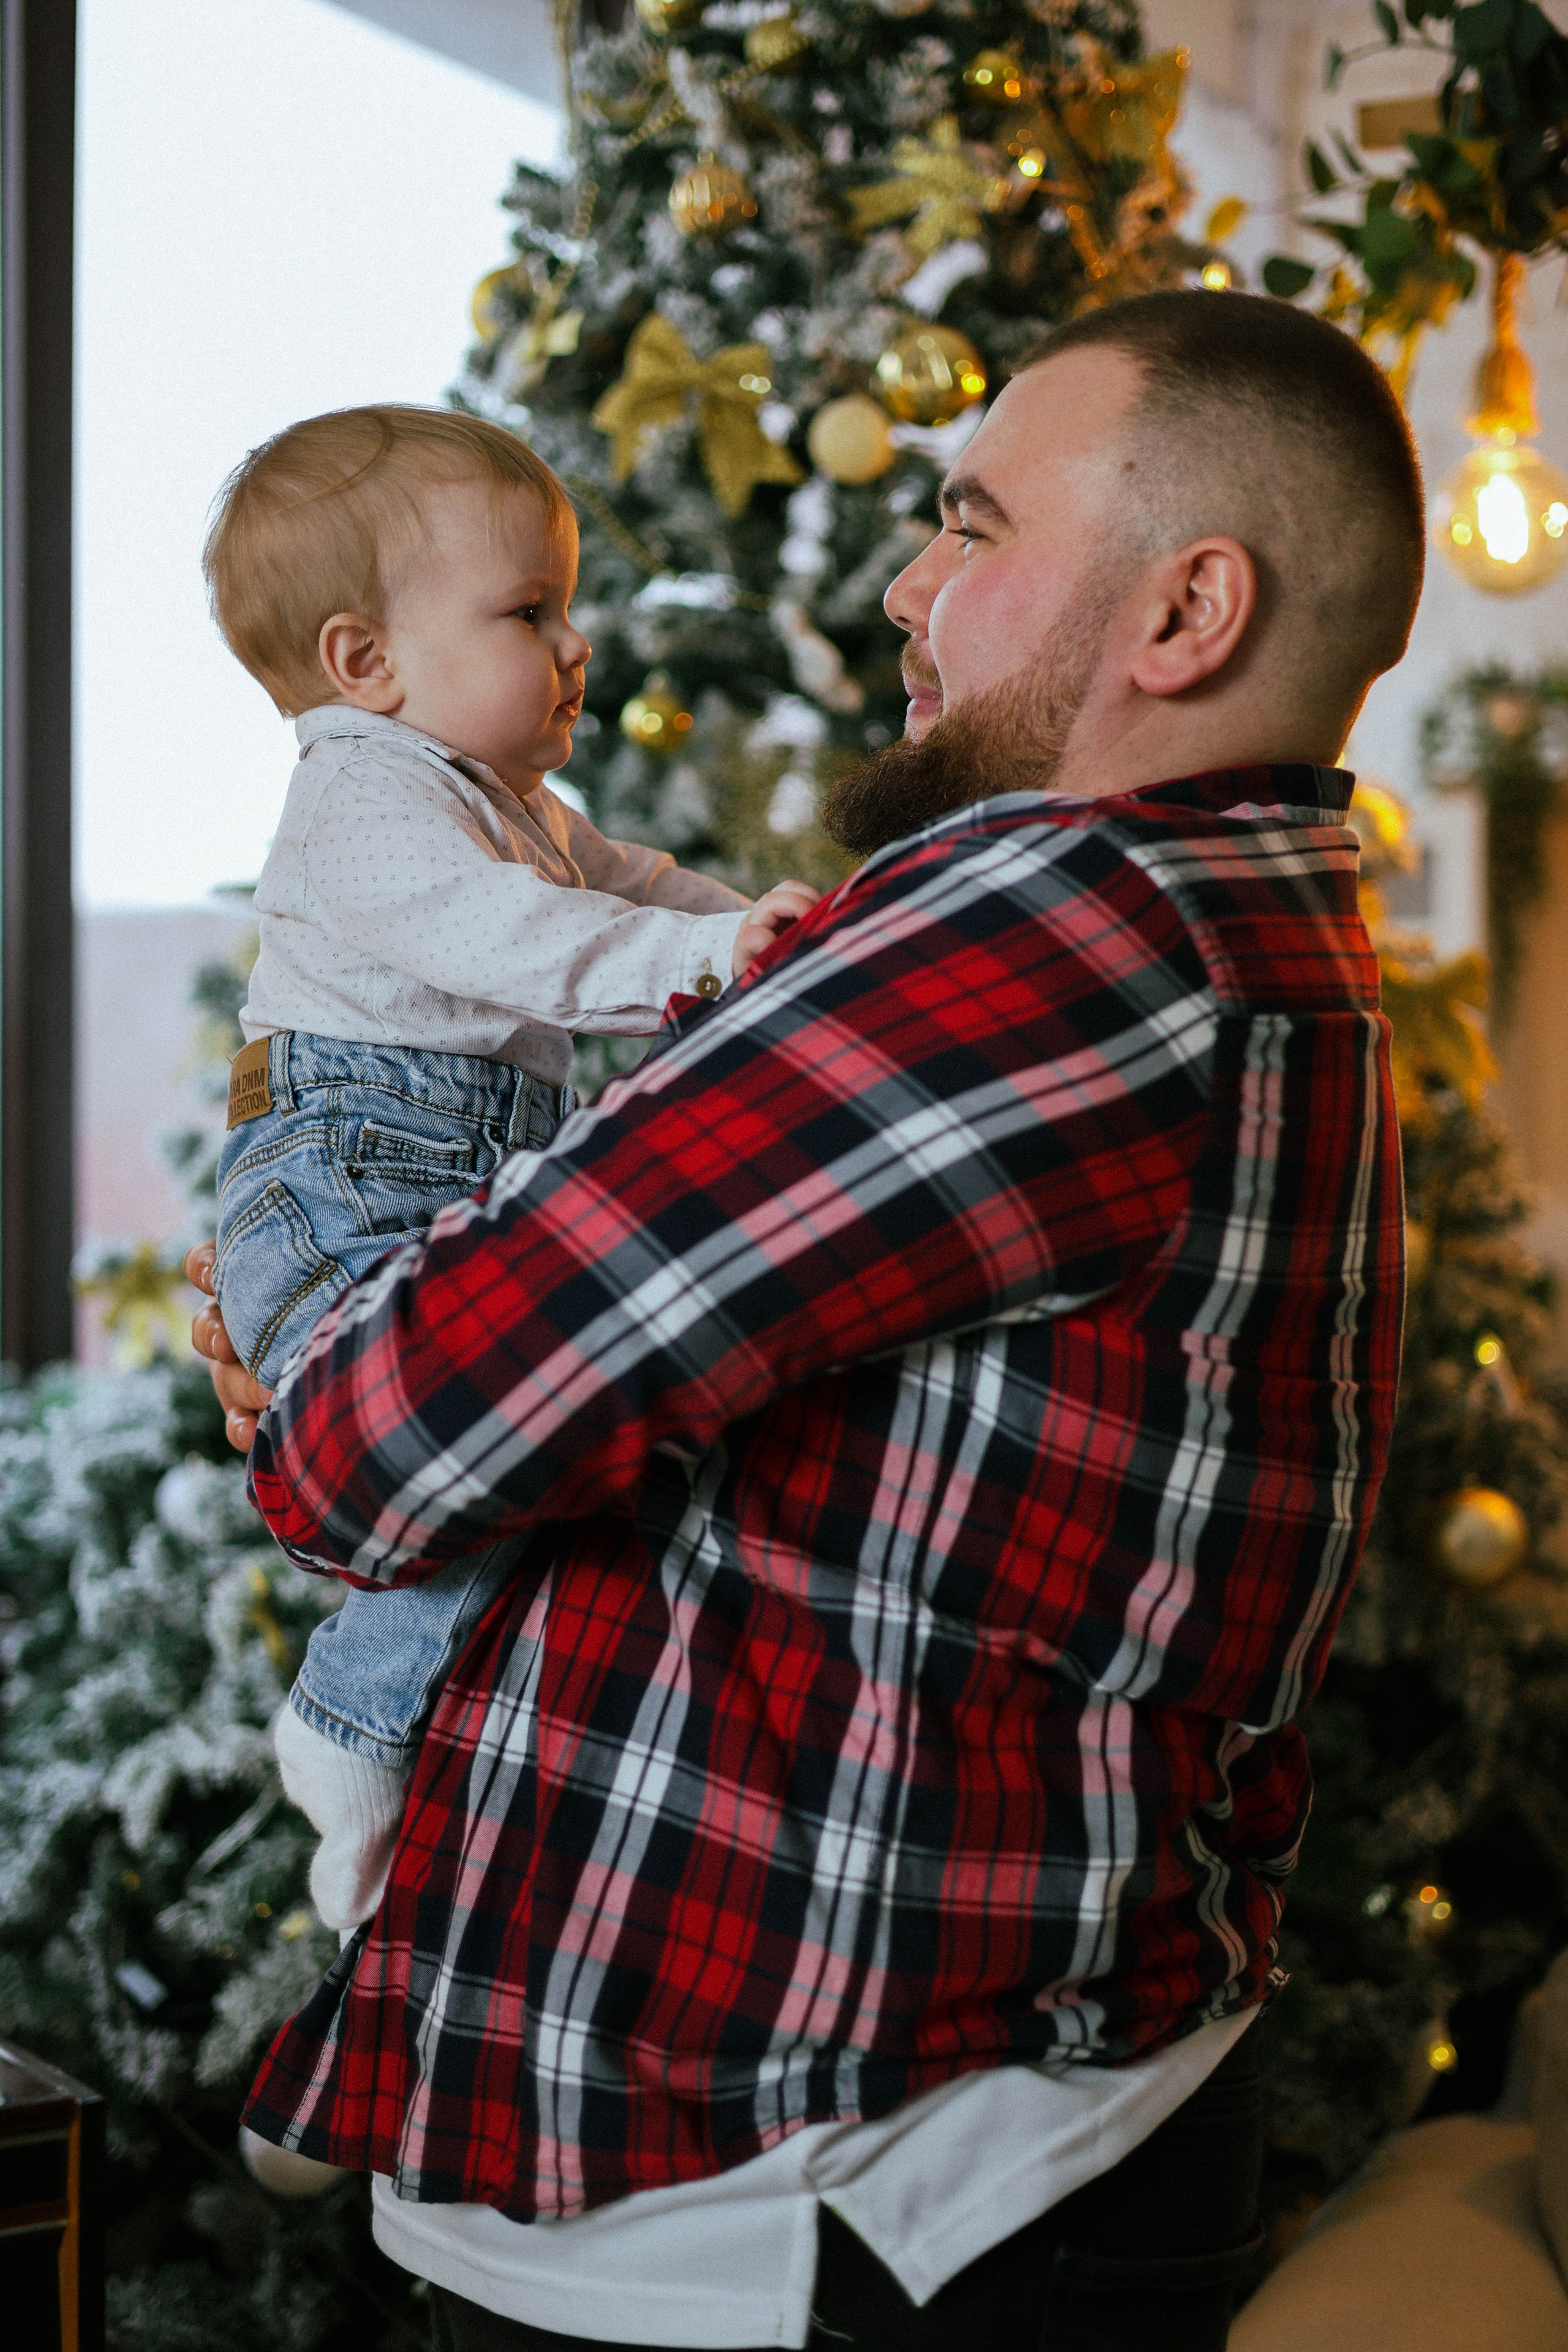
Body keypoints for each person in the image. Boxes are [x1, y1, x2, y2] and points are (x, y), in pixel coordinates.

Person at [190, 289, 1419, 2352]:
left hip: (812, 2200)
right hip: (888, 2152)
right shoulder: (1232, 912)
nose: (904, 585)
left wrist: (326, 1358)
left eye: (971, 524)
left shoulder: (1057, 940)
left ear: (1186, 610)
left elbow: (380, 1439)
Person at [202, 404, 816, 1932]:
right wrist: (702, 962)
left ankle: (385, 1752)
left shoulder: (510, 802)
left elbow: (635, 883)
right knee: (476, 1444)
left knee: (527, 1448)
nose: (574, 646)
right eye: (528, 613)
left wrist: (763, 933)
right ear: (365, 663)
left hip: (434, 1174)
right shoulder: (363, 796)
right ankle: (351, 1716)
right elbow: (513, 941)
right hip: (343, 1171)